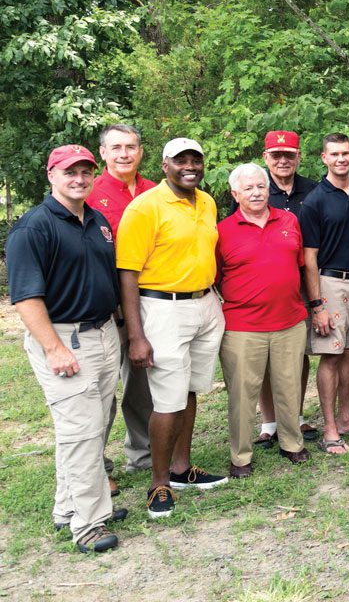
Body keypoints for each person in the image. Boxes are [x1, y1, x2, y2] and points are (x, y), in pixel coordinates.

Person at [10, 145, 124, 552]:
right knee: (81, 430)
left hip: (104, 332)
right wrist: (54, 348)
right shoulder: (34, 227)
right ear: (51, 175)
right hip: (64, 338)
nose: (78, 178)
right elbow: (26, 298)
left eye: (85, 171)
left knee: (93, 424)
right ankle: (89, 523)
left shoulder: (96, 220)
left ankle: (68, 508)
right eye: (69, 171)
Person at [118, 138, 228, 520]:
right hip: (163, 308)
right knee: (167, 399)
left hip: (203, 303)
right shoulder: (145, 207)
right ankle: (158, 482)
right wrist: (136, 335)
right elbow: (128, 274)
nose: (190, 166)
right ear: (165, 165)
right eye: (180, 160)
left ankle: (182, 468)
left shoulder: (206, 201)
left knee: (192, 388)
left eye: (196, 159)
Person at [216, 163, 310, 478]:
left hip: (289, 321)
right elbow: (215, 277)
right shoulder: (221, 230)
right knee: (243, 394)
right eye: (248, 188)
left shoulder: (289, 220)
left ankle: (292, 443)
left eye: (261, 186)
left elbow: (299, 265)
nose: (256, 192)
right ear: (235, 194)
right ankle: (240, 457)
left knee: (289, 386)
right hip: (243, 327)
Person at [299, 133, 349, 456]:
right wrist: (316, 304)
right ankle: (330, 427)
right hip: (330, 283)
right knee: (331, 354)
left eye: (346, 153)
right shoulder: (316, 200)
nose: (341, 159)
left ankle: (346, 417)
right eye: (335, 154)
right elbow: (309, 258)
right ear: (324, 158)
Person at [88, 123, 156, 482]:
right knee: (100, 390)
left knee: (142, 382)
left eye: (130, 147)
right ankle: (93, 466)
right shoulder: (89, 193)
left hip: (150, 303)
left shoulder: (155, 191)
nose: (124, 154)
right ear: (103, 153)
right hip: (108, 308)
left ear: (140, 151)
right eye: (116, 148)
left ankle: (142, 453)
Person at [249, 130, 320, 448]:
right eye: (276, 155)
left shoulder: (313, 190)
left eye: (288, 154)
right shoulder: (256, 189)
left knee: (298, 354)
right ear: (265, 158)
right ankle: (269, 420)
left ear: (298, 156)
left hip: (302, 282)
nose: (282, 160)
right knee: (266, 356)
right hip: (264, 284)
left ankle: (297, 414)